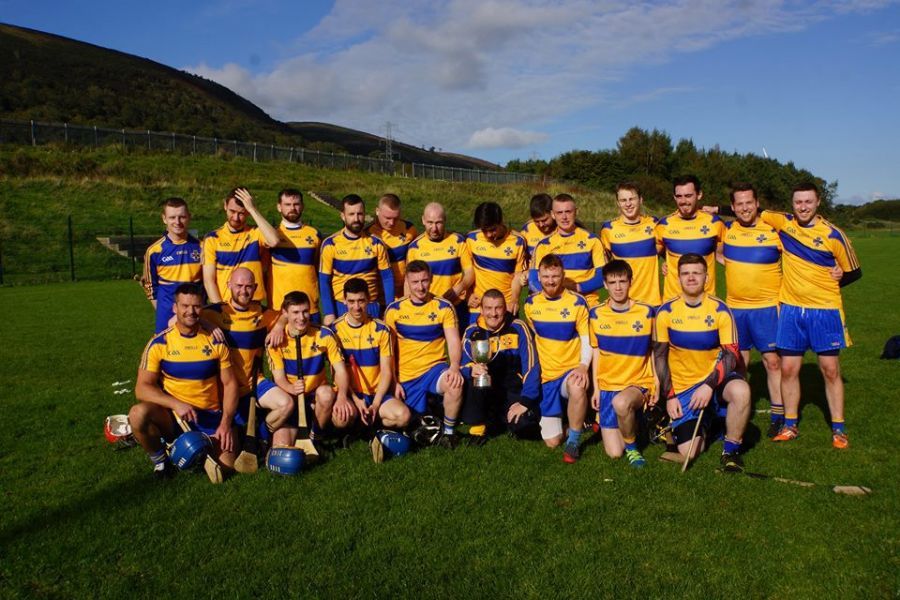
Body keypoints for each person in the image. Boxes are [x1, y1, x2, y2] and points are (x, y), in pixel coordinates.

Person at [748, 183, 859, 448]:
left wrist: (836, 278)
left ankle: (839, 429)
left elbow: (854, 271)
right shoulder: (783, 223)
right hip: (790, 309)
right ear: (792, 203)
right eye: (798, 202)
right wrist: (715, 208)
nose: (803, 207)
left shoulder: (834, 234)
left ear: (818, 202)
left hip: (825, 311)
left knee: (830, 370)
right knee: (788, 369)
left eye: (808, 201)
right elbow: (750, 210)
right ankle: (790, 425)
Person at [130, 283, 239, 479]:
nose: (191, 311)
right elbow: (142, 389)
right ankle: (161, 462)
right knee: (138, 414)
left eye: (196, 306)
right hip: (175, 418)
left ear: (202, 308)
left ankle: (194, 448)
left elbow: (230, 384)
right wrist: (176, 403)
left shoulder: (215, 341)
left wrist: (225, 423)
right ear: (175, 308)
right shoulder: (159, 343)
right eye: (185, 306)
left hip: (210, 417)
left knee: (225, 469)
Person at [653, 253, 751, 471]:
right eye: (686, 273)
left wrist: (708, 385)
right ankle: (707, 422)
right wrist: (670, 396)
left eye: (696, 273)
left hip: (715, 380)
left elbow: (731, 354)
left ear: (706, 277)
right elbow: (659, 357)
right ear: (678, 278)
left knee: (741, 391)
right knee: (689, 452)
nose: (691, 278)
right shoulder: (666, 312)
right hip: (683, 387)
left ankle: (731, 451)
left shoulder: (720, 310)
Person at [716, 183, 785, 437]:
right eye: (739, 204)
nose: (745, 208)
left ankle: (778, 414)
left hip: (767, 307)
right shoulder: (727, 230)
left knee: (772, 361)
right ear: (732, 207)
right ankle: (739, 409)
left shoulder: (774, 231)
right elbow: (714, 251)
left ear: (757, 204)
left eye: (749, 203)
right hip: (736, 308)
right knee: (740, 362)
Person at [201, 268, 295, 447]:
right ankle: (243, 433)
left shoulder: (262, 313)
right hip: (224, 389)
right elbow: (177, 320)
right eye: (238, 286)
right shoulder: (214, 312)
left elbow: (286, 315)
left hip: (253, 383)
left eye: (248, 287)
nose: (243, 291)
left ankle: (260, 436)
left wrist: (278, 326)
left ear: (255, 287)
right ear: (228, 285)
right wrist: (206, 323)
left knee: (286, 404)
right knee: (229, 445)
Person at [384, 261, 465, 448]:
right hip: (405, 376)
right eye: (415, 282)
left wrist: (454, 367)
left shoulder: (443, 307)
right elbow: (387, 352)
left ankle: (449, 434)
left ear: (431, 279)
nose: (420, 287)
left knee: (455, 384)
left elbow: (453, 341)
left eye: (424, 281)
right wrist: (393, 381)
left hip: (433, 370)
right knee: (404, 420)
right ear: (407, 282)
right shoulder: (394, 310)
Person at [331, 278, 411, 461]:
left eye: (361, 301)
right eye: (351, 301)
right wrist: (356, 400)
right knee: (340, 419)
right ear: (344, 301)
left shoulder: (382, 330)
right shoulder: (335, 330)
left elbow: (387, 372)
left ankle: (372, 428)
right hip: (351, 394)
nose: (356, 307)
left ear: (368, 300)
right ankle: (357, 428)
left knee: (403, 416)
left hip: (376, 394)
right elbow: (337, 374)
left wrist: (375, 404)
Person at [589, 260, 657, 467]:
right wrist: (597, 389)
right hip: (609, 386)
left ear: (630, 282)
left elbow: (653, 350)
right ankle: (637, 424)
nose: (618, 287)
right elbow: (597, 353)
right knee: (614, 453)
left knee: (621, 403)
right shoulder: (596, 314)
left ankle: (633, 449)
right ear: (605, 284)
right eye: (612, 282)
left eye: (622, 281)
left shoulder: (646, 312)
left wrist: (656, 381)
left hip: (638, 382)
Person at [523, 254, 591, 462]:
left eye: (555, 276)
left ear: (563, 275)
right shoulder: (530, 304)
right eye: (546, 276)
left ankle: (573, 442)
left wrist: (583, 366)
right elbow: (535, 336)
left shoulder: (577, 303)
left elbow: (586, 339)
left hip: (570, 371)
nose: (550, 281)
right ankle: (576, 422)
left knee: (577, 386)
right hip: (546, 377)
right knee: (552, 442)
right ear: (538, 277)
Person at [267, 291, 356, 444]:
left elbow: (341, 371)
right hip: (291, 398)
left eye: (305, 311)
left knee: (341, 413)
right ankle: (265, 438)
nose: (301, 317)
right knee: (281, 446)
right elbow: (279, 378)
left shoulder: (324, 334)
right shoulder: (277, 340)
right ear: (285, 313)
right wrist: (291, 388)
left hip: (317, 397)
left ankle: (316, 438)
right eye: (295, 312)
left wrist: (342, 397)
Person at [460, 289, 542, 442]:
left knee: (525, 427)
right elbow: (459, 367)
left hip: (512, 390)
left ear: (505, 309)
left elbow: (531, 366)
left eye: (498, 308)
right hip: (485, 390)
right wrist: (471, 369)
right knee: (475, 379)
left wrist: (525, 401)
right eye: (488, 308)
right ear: (481, 310)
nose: (493, 313)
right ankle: (478, 425)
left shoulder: (518, 328)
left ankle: (503, 420)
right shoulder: (472, 332)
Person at [319, 194, 394, 325]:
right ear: (343, 216)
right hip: (342, 307)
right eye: (351, 214)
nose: (356, 219)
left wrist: (389, 309)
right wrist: (329, 312)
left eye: (360, 214)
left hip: (371, 307)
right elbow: (324, 281)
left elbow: (387, 277)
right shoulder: (331, 244)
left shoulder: (376, 243)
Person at [202, 187, 280, 304]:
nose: (236, 218)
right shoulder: (213, 238)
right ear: (225, 206)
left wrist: (253, 209)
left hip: (254, 305)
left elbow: (274, 241)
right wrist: (220, 308)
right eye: (232, 211)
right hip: (227, 306)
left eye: (241, 213)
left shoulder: (256, 233)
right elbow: (209, 281)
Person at [406, 202, 474, 331]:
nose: (434, 228)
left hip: (456, 305)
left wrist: (458, 289)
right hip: (429, 308)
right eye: (430, 223)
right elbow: (408, 281)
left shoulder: (458, 241)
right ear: (423, 220)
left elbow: (470, 272)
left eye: (438, 223)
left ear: (445, 220)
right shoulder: (415, 247)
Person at [655, 176, 725, 302]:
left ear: (699, 195)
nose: (683, 201)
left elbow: (726, 256)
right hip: (673, 302)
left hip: (706, 302)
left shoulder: (715, 223)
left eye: (688, 196)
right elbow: (652, 255)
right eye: (679, 196)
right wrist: (666, 262)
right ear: (674, 197)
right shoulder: (664, 225)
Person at [529, 193, 606, 306]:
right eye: (559, 213)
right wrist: (557, 294)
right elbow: (533, 281)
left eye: (568, 212)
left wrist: (578, 287)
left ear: (576, 212)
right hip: (556, 306)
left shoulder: (592, 240)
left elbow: (603, 275)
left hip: (586, 305)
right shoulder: (543, 245)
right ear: (553, 214)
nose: (564, 217)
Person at [142, 197, 203, 333]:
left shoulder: (202, 247)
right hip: (166, 317)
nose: (177, 222)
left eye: (182, 217)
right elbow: (150, 287)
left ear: (189, 217)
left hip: (195, 315)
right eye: (172, 217)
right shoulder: (154, 251)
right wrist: (164, 311)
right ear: (164, 219)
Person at [599, 183, 661, 307]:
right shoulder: (608, 229)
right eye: (623, 200)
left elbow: (667, 252)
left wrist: (666, 264)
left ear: (641, 200)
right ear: (618, 203)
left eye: (632, 199)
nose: (628, 204)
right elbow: (606, 266)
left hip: (652, 302)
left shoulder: (654, 224)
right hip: (623, 304)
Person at [465, 202, 526, 323]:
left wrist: (514, 300)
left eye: (492, 230)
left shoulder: (517, 241)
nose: (488, 235)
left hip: (506, 307)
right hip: (478, 307)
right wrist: (468, 295)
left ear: (501, 221)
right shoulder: (471, 239)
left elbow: (518, 276)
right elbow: (467, 272)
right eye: (484, 230)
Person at [266, 188, 322, 319]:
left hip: (309, 308)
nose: (292, 208)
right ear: (279, 207)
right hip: (280, 308)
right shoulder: (271, 236)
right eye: (287, 204)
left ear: (302, 206)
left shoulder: (314, 234)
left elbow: (318, 267)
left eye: (296, 204)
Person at [366, 193, 418, 302]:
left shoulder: (409, 229)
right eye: (387, 218)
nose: (391, 222)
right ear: (377, 211)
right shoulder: (367, 234)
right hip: (380, 297)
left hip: (407, 294)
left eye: (396, 218)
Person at [521, 193, 556, 260]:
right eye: (536, 221)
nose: (541, 225)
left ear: (553, 213)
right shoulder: (527, 229)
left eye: (544, 220)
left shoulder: (563, 228)